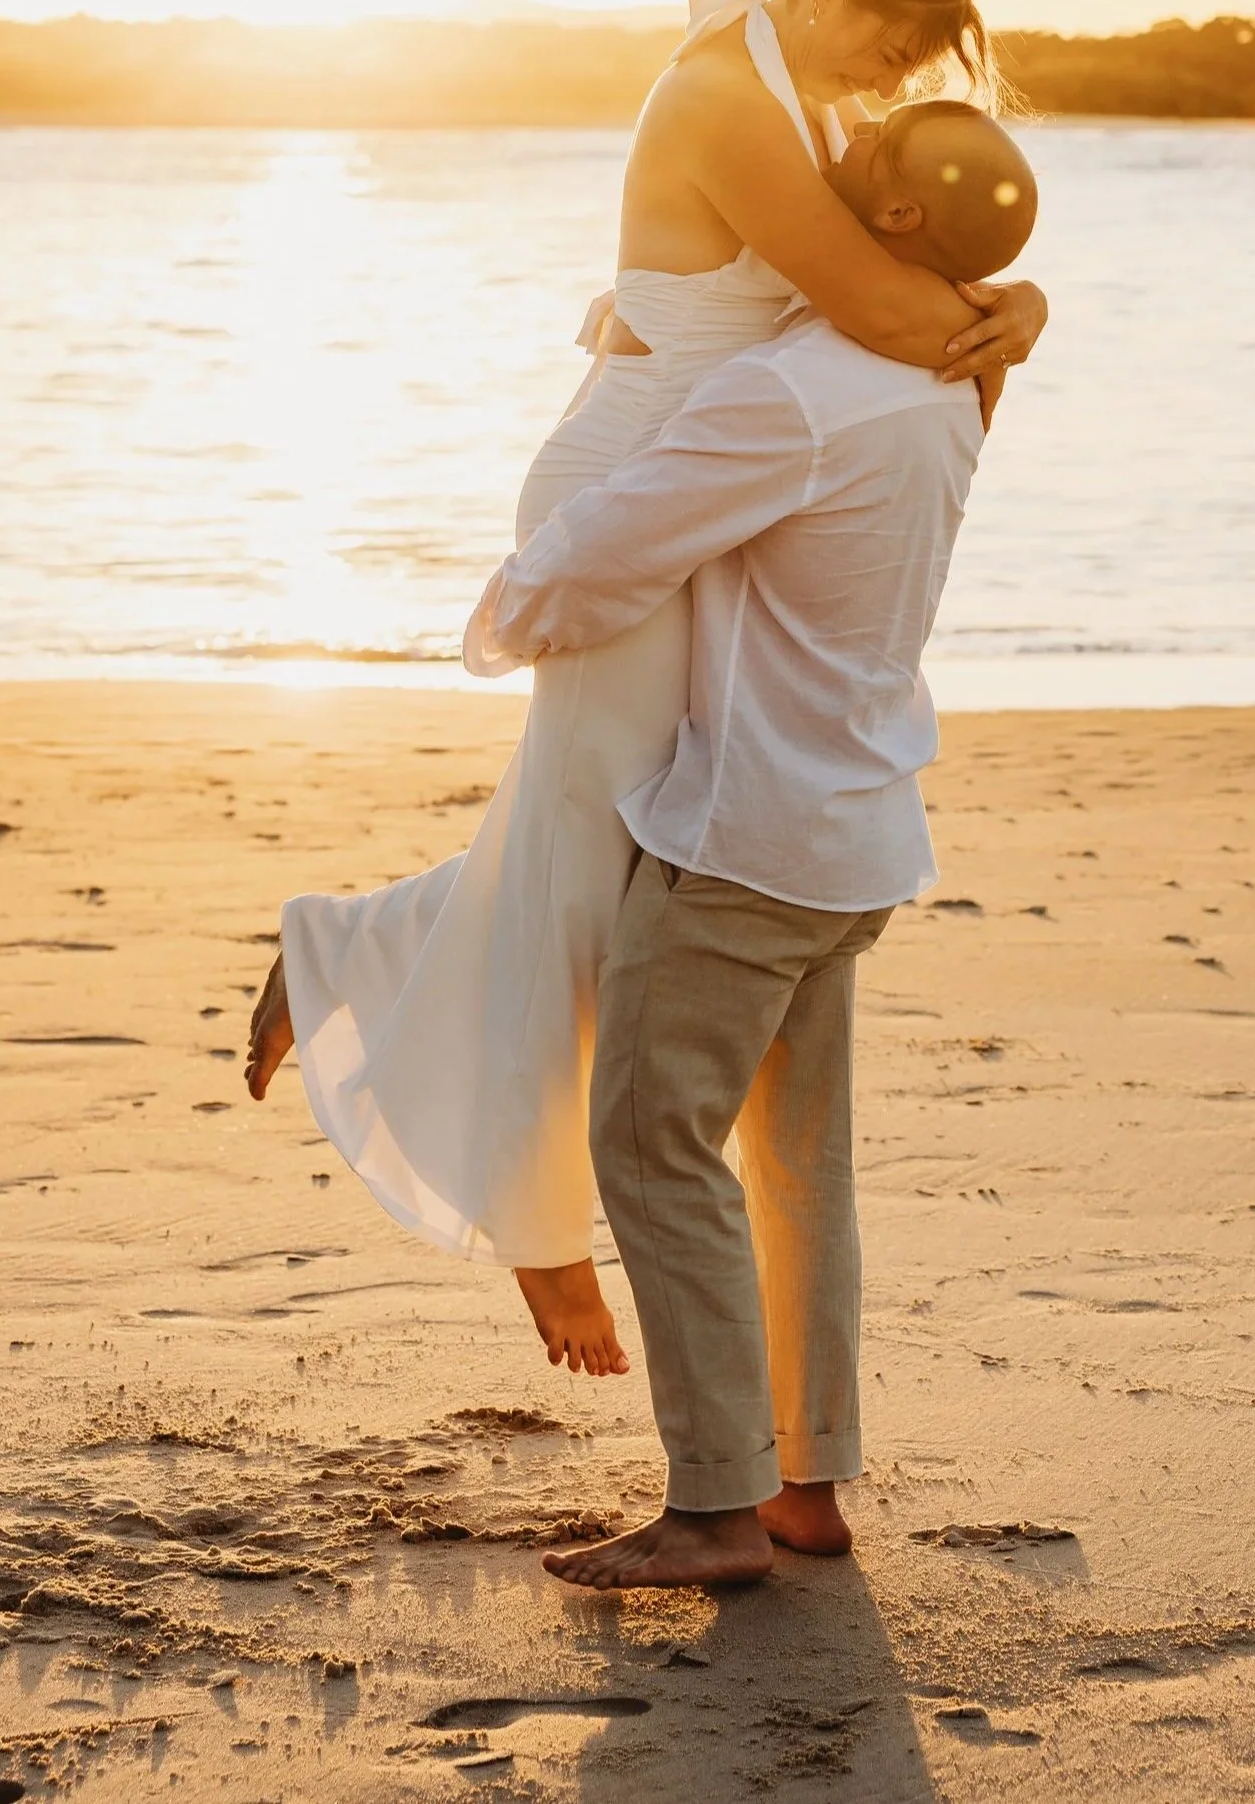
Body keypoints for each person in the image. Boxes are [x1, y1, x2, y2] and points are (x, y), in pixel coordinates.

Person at [244, 0, 1047, 1380]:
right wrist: (1014, 316)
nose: (905, 73)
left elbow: (890, 285)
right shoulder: (726, 98)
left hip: (718, 487)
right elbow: (878, 311)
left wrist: (1025, 304)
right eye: (898, 36)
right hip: (635, 488)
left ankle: (344, 951)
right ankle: (539, 1232)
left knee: (603, 844)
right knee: (585, 859)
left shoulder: (808, 96)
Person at [455, 105, 1038, 1590]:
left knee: (651, 1142)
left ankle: (715, 1506)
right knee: (797, 1164)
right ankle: (806, 1482)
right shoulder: (952, 382)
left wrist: (502, 622)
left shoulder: (794, 393)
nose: (839, 153)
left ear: (899, 229)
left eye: (880, 156)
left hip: (750, 840)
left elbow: (607, 547)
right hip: (857, 830)